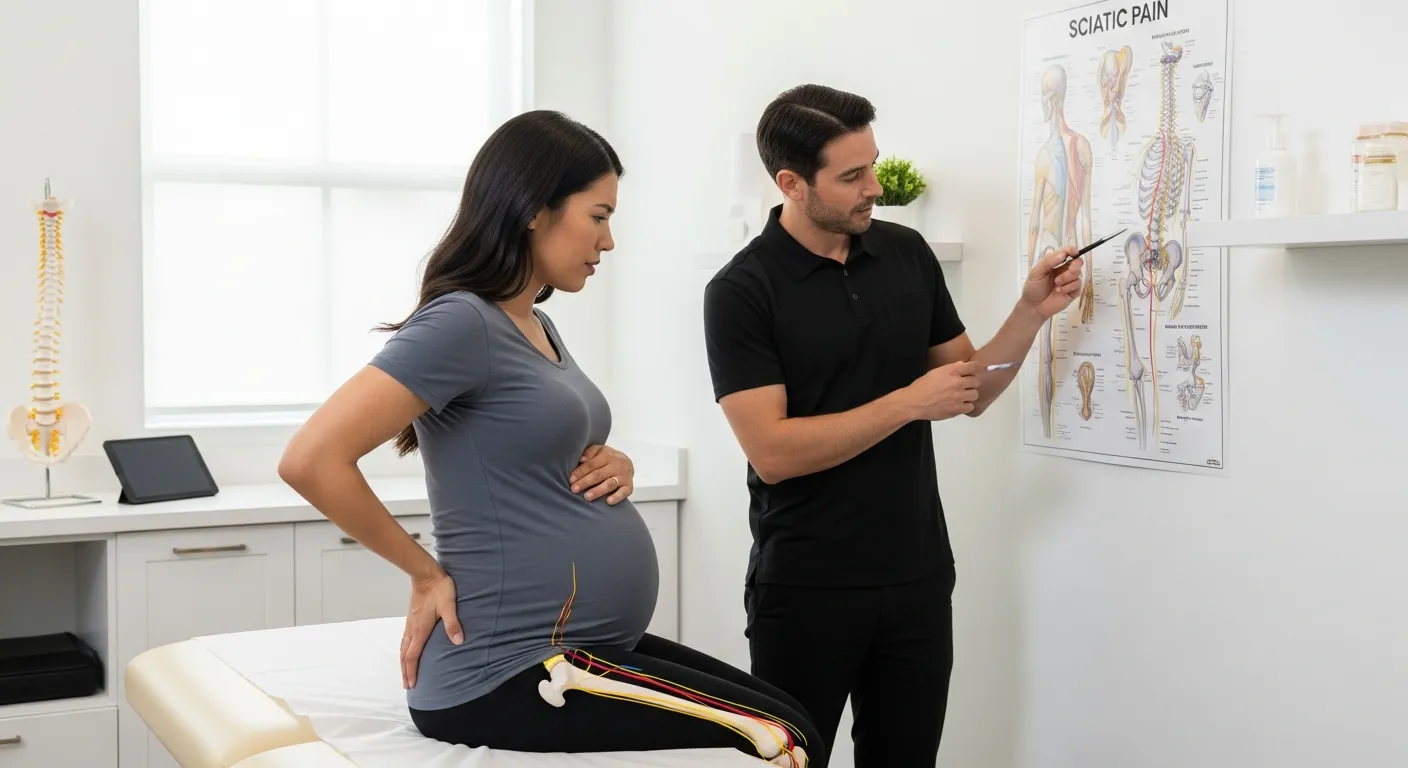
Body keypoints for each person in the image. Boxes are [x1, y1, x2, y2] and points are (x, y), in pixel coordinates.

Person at [279, 110, 822, 767]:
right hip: (505, 668)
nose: (609, 241)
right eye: (598, 216)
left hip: (577, 649)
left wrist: (612, 460)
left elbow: (532, 437)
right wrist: (423, 574)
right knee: (782, 743)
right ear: (536, 211)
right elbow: (310, 459)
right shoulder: (462, 322)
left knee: (795, 716)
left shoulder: (532, 320)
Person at [701, 84, 1084, 767]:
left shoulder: (906, 255)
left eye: (873, 165)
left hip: (917, 579)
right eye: (851, 177)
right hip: (806, 588)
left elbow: (972, 391)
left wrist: (1031, 312)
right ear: (790, 183)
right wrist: (908, 402)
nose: (873, 188)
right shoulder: (741, 291)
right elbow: (773, 453)